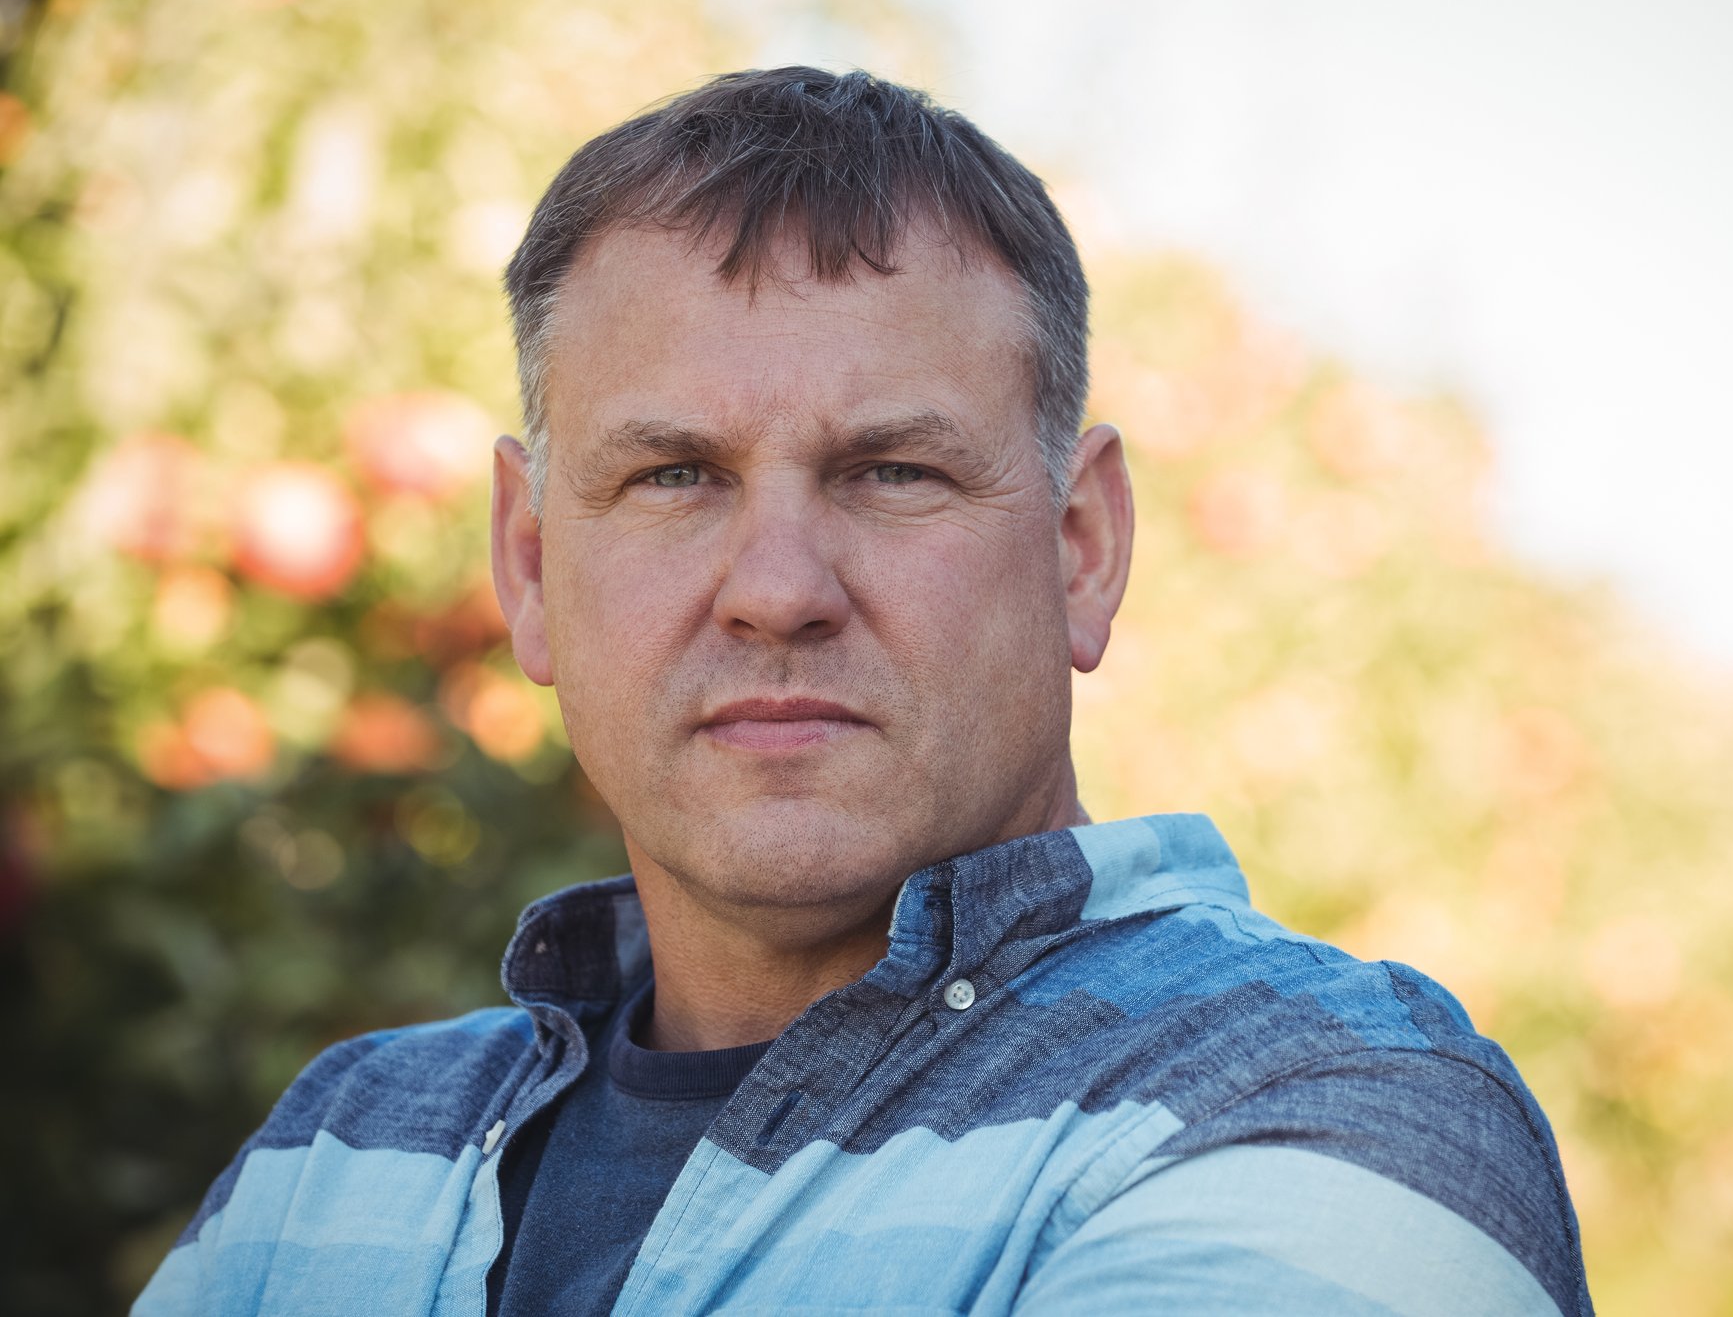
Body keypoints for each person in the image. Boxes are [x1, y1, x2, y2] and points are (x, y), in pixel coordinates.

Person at [138, 67, 1594, 1315]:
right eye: (672, 476)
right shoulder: (333, 1155)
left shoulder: (1317, 1111)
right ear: (528, 565)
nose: (778, 586)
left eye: (894, 471)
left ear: (1081, 547)